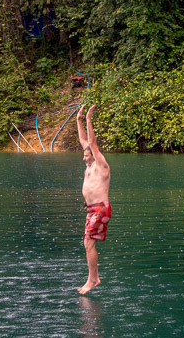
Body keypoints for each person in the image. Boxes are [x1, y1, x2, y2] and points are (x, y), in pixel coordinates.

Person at [77, 104, 110, 294]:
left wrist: (89, 120)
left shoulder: (101, 164)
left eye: (86, 155)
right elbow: (84, 141)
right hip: (91, 209)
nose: (84, 158)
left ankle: (93, 279)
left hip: (100, 208)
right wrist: (79, 120)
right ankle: (93, 277)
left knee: (89, 242)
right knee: (87, 243)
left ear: (94, 155)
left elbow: (92, 143)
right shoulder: (90, 165)